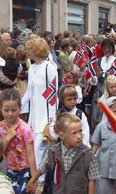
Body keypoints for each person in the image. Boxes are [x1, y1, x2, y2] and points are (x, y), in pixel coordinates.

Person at [26, 112, 99, 194]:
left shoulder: (88, 155)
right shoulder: (53, 152)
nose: (79, 136)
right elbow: (43, 168)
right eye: (74, 133)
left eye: (80, 131)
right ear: (61, 135)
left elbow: (93, 180)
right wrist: (32, 181)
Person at [21, 37, 58, 191]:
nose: (26, 51)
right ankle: (34, 177)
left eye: (29, 49)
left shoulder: (50, 67)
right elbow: (29, 92)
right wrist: (19, 108)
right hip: (34, 115)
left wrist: (51, 120)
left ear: (36, 50)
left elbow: (52, 92)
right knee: (31, 147)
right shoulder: (33, 68)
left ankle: (40, 181)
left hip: (45, 115)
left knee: (39, 147)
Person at [0, 88, 36, 194]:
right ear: (1, 109)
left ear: (20, 108)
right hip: (10, 169)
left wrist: (33, 179)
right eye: (6, 110)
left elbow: (31, 154)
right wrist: (7, 139)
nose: (10, 114)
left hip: (25, 170)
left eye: (14, 110)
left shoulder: (25, 129)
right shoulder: (1, 128)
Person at [90, 38, 116, 132]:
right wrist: (93, 80)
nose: (107, 50)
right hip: (98, 94)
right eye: (105, 48)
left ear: (112, 49)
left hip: (112, 94)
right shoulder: (98, 61)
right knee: (97, 116)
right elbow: (91, 78)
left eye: (109, 48)